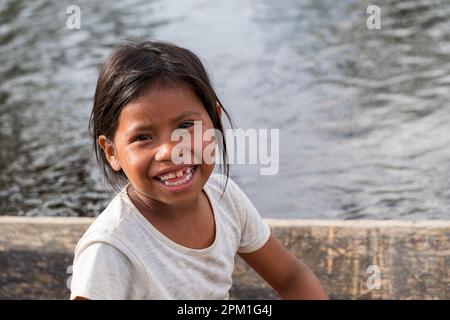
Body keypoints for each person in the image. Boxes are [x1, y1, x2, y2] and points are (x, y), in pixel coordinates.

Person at [70, 40, 328, 300]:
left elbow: (292, 278)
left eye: (185, 127)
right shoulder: (110, 249)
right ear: (112, 152)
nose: (170, 151)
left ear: (215, 121)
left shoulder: (224, 198)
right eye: (143, 137)